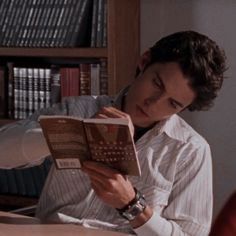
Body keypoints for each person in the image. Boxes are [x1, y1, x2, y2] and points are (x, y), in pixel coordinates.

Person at [0, 30, 227, 235]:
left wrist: (131, 205)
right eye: (157, 84)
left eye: (173, 104)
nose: (153, 104)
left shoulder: (191, 151)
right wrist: (74, 131)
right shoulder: (78, 109)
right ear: (144, 62)